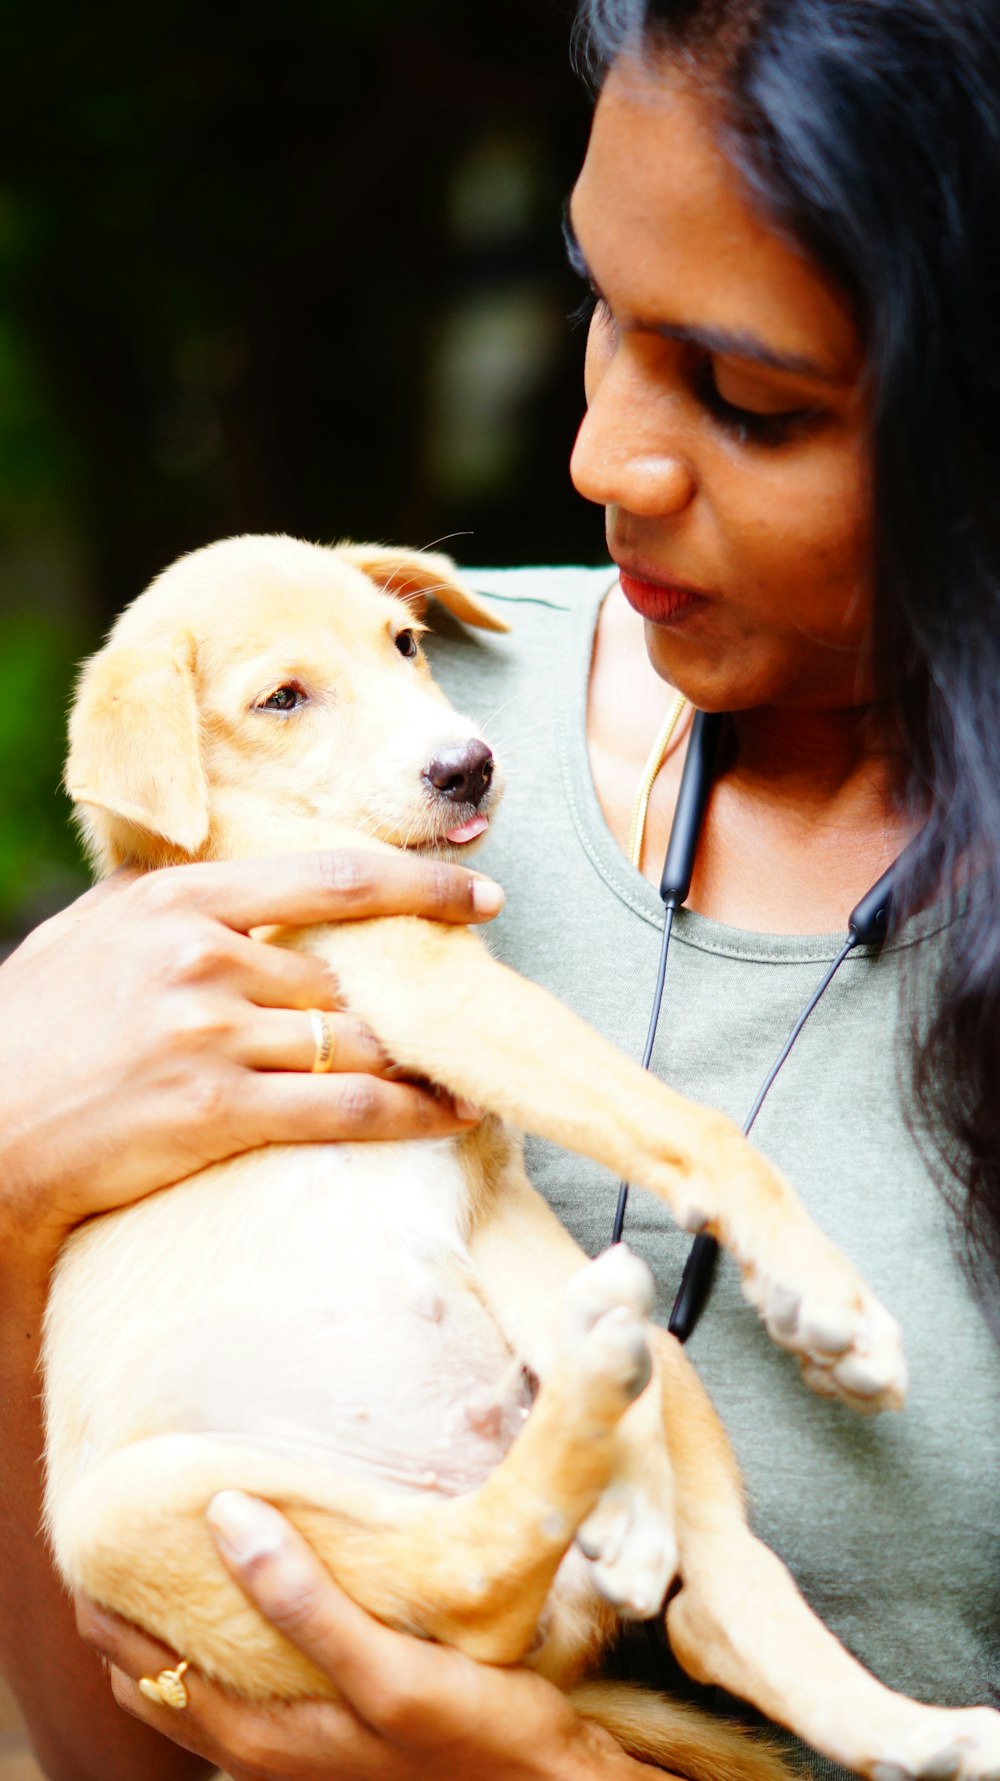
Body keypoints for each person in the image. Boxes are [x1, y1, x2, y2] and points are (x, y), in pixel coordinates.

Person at [3, 0, 999, 1776]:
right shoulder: (426, 704)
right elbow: (121, 1731)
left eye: (749, 398)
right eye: (599, 310)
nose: (598, 455)